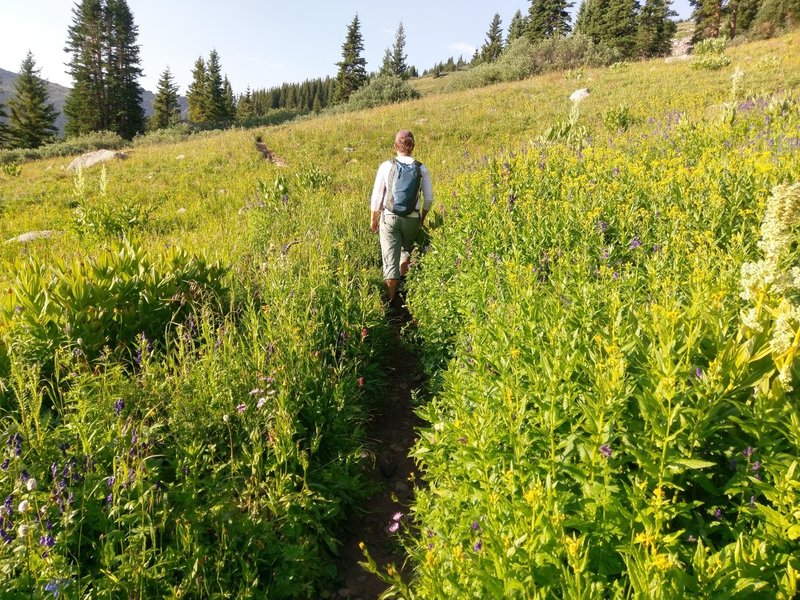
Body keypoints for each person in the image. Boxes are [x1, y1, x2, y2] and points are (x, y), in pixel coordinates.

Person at [370, 130, 433, 307]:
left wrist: (374, 218)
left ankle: (391, 304)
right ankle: (406, 292)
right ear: (413, 146)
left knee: (390, 260)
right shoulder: (421, 168)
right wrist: (421, 219)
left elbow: (377, 196)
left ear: (395, 146)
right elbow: (428, 198)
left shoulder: (386, 166)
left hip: (389, 217)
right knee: (406, 251)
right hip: (412, 219)